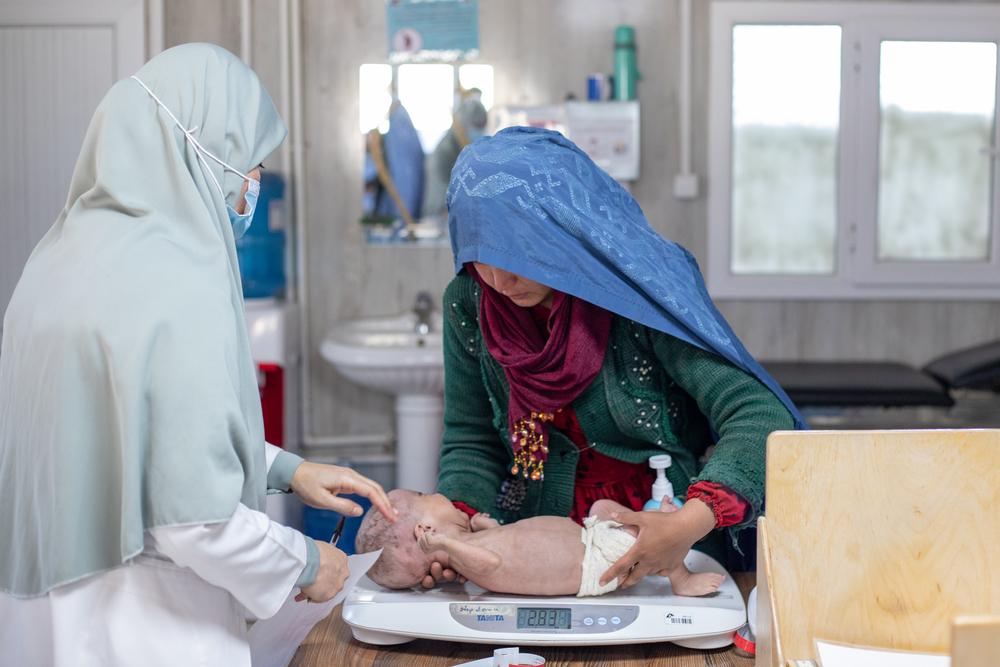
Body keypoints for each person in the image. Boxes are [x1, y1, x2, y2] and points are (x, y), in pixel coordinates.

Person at [0, 43, 395, 666]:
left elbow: (124, 435)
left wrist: (287, 471)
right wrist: (307, 562)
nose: (256, 184)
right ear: (202, 149)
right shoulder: (178, 280)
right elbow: (194, 520)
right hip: (142, 624)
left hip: (38, 621)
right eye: (251, 161)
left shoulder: (52, 264)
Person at [430, 127, 804, 592]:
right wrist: (455, 522)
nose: (499, 278)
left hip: (659, 528)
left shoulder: (634, 294)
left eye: (519, 253)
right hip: (532, 539)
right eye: (481, 253)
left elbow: (758, 413)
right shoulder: (469, 299)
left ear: (563, 231)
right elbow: (472, 439)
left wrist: (689, 521)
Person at [356, 489, 724, 597]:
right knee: (637, 539)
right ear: (425, 531)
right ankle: (680, 575)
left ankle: (664, 526)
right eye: (424, 495)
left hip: (588, 537)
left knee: (604, 507)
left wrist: (484, 523)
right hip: (594, 564)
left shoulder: (475, 540)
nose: (436, 491)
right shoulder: (469, 561)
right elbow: (492, 562)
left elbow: (509, 540)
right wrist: (451, 547)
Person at [420, 92, 488, 221]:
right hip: (440, 212)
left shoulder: (462, 146)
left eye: (482, 128)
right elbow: (451, 189)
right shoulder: (447, 149)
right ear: (465, 124)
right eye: (476, 127)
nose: (479, 132)